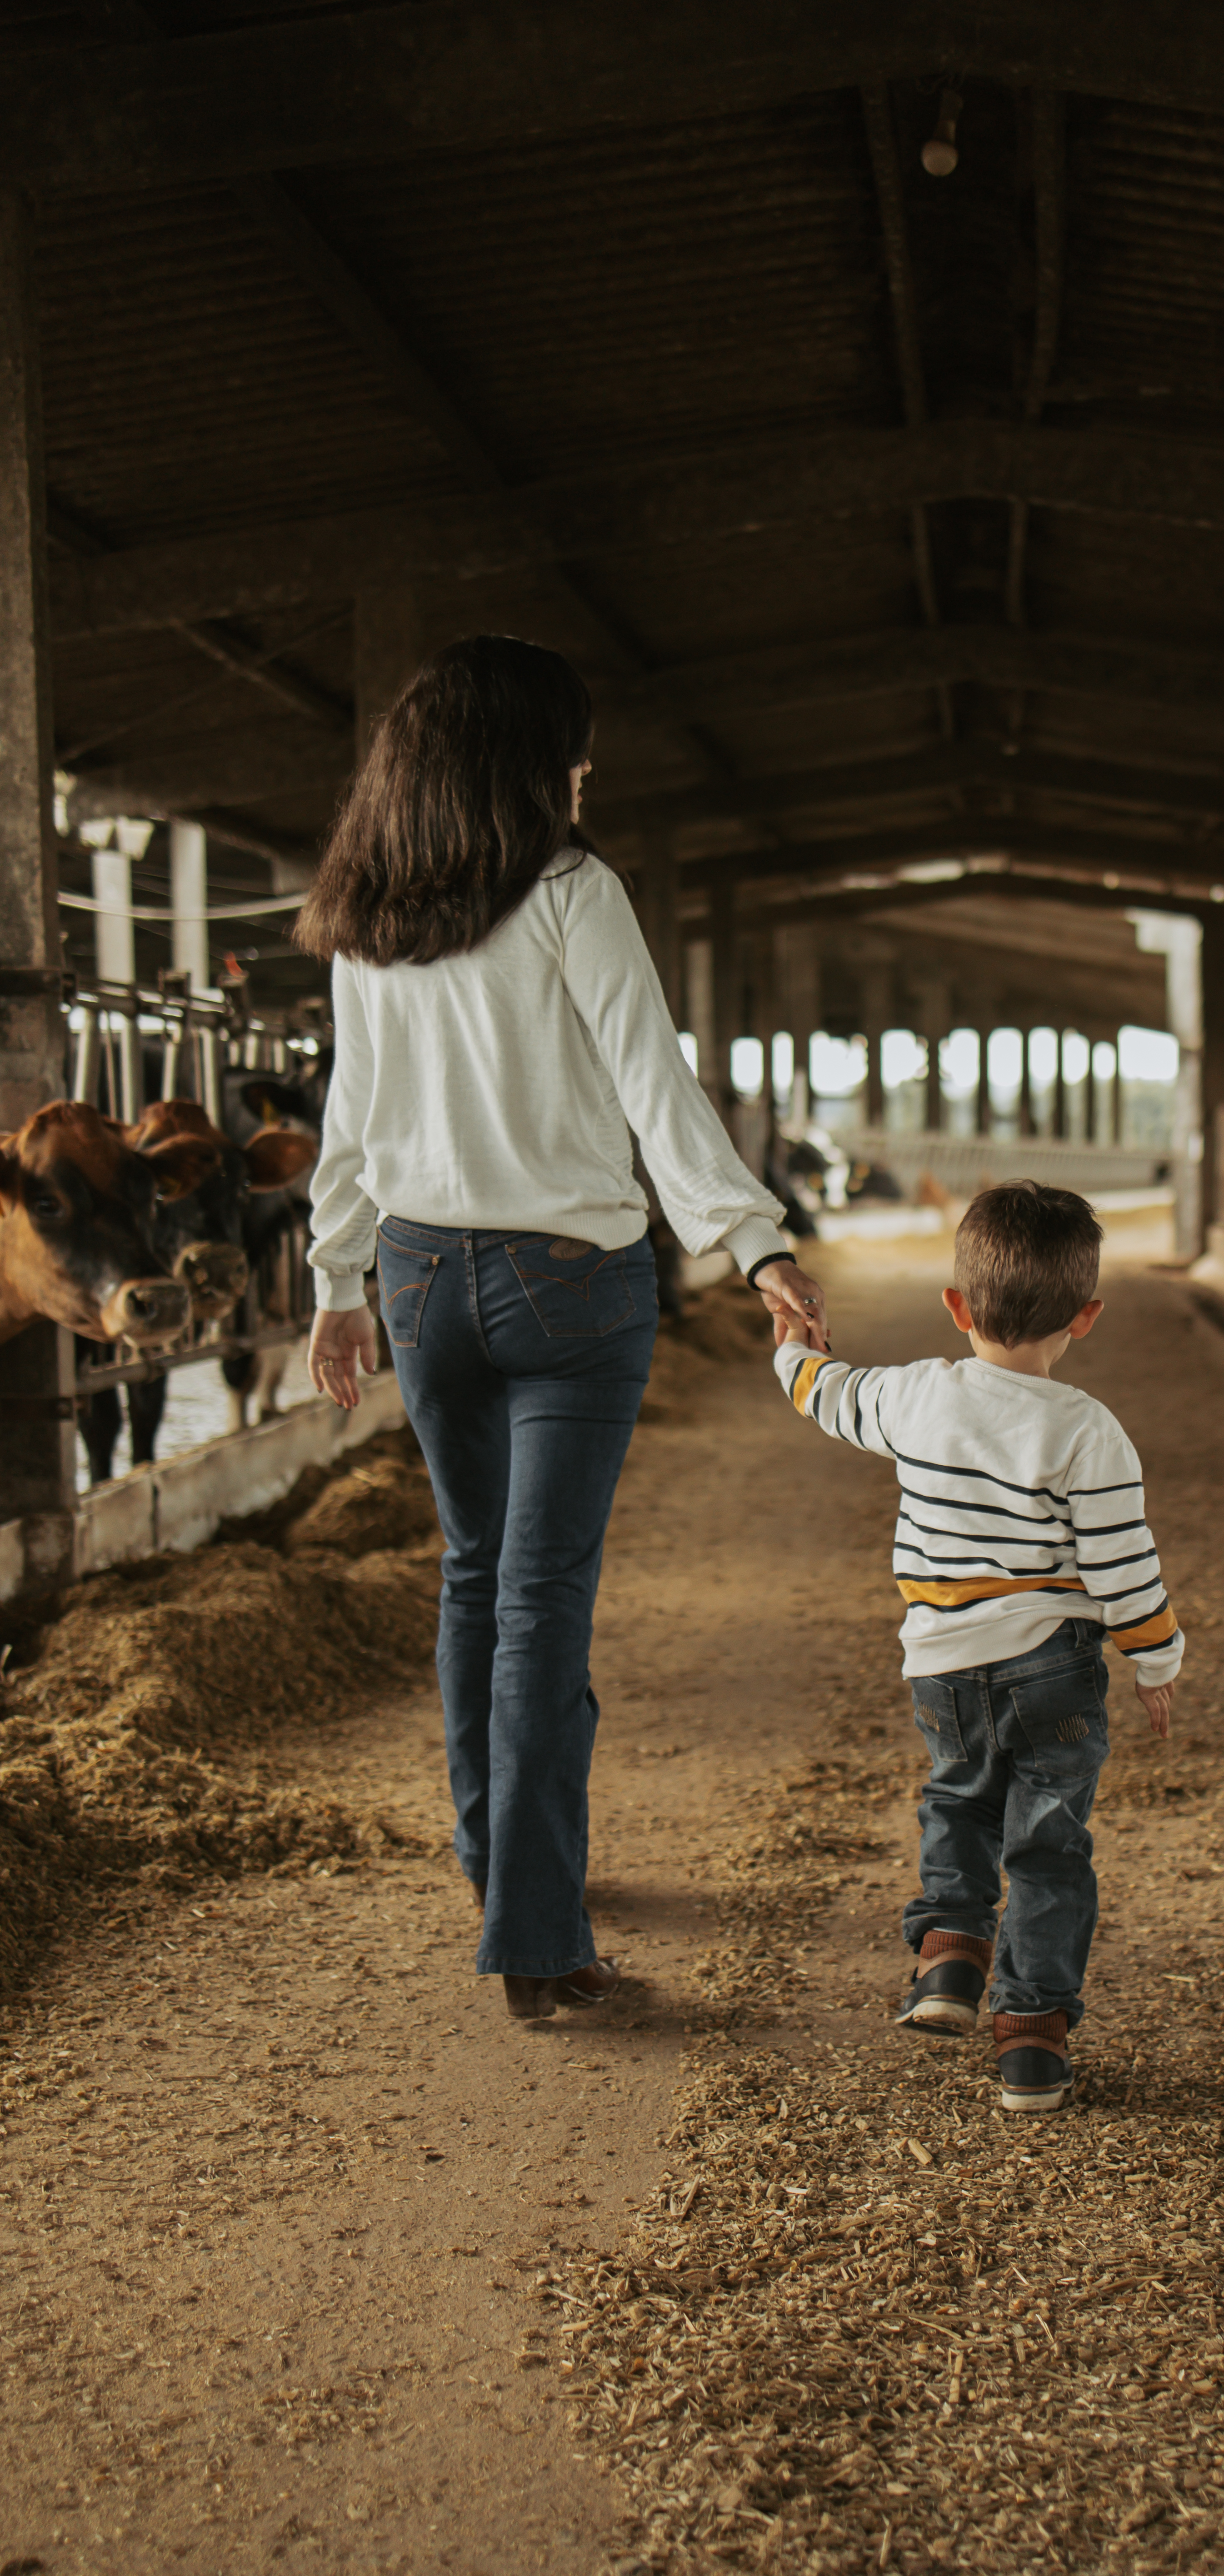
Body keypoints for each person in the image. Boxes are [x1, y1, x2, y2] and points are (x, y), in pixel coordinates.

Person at [296, 635, 829, 2022]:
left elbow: (348, 1122)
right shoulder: (573, 891)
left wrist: (337, 1284)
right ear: (525, 764)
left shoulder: (365, 913)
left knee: (474, 1574)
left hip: (417, 1279)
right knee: (539, 1597)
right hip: (568, 1280)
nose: (585, 776)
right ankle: (538, 1933)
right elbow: (657, 1085)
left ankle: (499, 1863)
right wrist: (753, 1239)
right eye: (573, 753)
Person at [769, 1181, 1182, 2113]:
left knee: (956, 1798)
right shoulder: (1089, 1432)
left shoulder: (915, 1395)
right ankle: (1031, 2040)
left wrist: (790, 1342)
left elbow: (821, 1394)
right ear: (1087, 1316)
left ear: (956, 1307)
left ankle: (950, 1957)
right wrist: (1156, 1658)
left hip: (943, 1661)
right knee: (1046, 1843)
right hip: (1054, 1665)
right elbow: (1124, 1566)